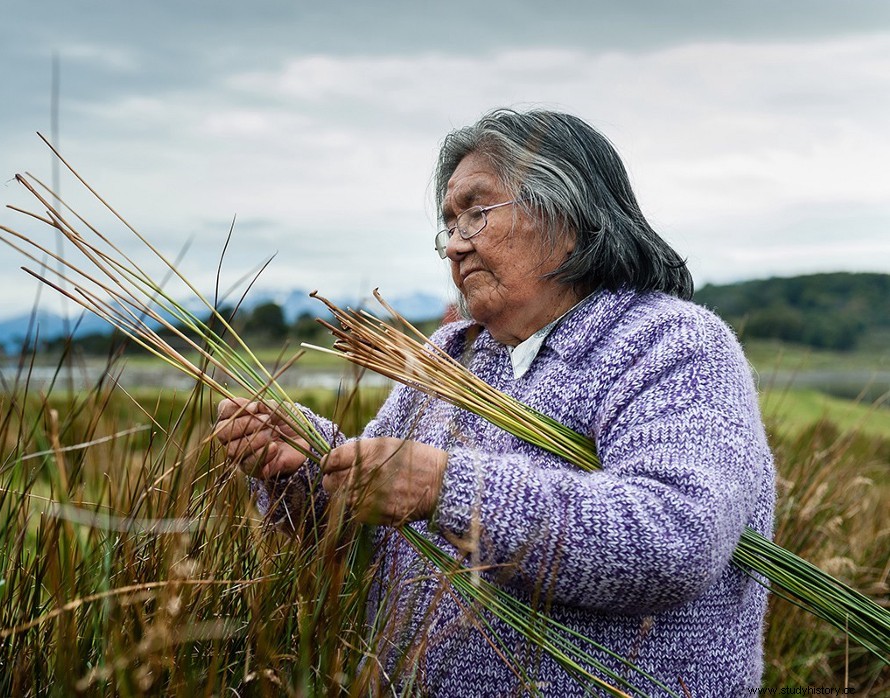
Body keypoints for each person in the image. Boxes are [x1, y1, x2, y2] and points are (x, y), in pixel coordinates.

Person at [215, 108, 775, 695]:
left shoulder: (671, 344)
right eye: (449, 222)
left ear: (570, 215)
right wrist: (300, 467)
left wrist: (445, 487)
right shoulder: (449, 358)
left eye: (477, 213)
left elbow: (677, 538)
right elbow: (376, 534)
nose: (454, 246)